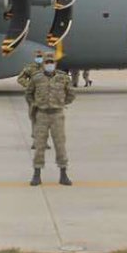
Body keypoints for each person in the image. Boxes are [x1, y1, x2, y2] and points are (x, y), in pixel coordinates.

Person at [25, 53, 74, 186]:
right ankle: (37, 174)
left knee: (60, 145)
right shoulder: (37, 78)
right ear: (43, 64)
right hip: (42, 114)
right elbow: (28, 94)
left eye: (51, 62)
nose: (49, 64)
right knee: (39, 145)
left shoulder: (63, 78)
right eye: (47, 62)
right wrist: (35, 104)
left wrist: (61, 103)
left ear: (55, 63)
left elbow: (71, 94)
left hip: (57, 114)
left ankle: (63, 174)